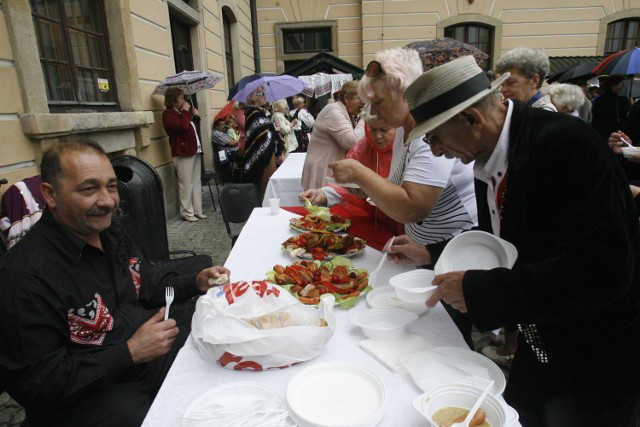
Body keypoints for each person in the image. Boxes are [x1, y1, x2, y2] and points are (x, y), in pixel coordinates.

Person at [403, 55, 640, 426]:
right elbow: (506, 240)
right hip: (542, 343)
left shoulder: (565, 145)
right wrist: (432, 252)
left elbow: (602, 272)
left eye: (435, 136)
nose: (435, 150)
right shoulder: (491, 155)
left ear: (471, 119)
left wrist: (481, 292)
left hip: (594, 359)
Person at [0, 137, 231, 427]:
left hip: (141, 360)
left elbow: (144, 282)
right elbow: (37, 383)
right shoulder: (24, 279)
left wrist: (193, 283)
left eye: (111, 186)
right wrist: (129, 353)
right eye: (89, 188)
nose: (108, 201)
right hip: (87, 399)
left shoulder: (110, 233)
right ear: (50, 194)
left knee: (211, 361)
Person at [326, 47, 478, 348]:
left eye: (378, 102)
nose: (373, 111)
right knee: (425, 331)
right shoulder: (403, 131)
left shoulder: (428, 133)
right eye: (369, 103)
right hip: (431, 251)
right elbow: (398, 188)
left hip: (456, 249)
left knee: (447, 335)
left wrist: (360, 174)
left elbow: (413, 207)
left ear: (405, 91)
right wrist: (368, 189)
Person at [299, 114, 402, 235]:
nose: (378, 136)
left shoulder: (407, 147)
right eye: (373, 130)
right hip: (373, 222)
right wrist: (322, 194)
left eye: (384, 130)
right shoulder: (363, 147)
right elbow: (346, 183)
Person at [301, 80, 365, 190]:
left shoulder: (342, 111)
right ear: (346, 98)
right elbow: (351, 142)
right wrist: (366, 116)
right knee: (321, 206)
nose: (364, 103)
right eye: (360, 98)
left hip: (327, 169)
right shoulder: (333, 111)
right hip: (322, 170)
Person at [161, 87, 206, 222]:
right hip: (182, 152)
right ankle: (187, 212)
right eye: (181, 98)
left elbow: (192, 129)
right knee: (186, 183)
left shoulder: (183, 113)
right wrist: (186, 112)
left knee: (196, 181)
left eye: (183, 98)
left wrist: (196, 117)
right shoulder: (168, 114)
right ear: (173, 101)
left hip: (194, 149)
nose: (184, 101)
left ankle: (198, 210)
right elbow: (183, 127)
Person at [241, 85, 281, 202]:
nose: (265, 96)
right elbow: (261, 132)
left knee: (268, 184)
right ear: (254, 96)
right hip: (263, 157)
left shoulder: (260, 112)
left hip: (268, 154)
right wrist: (272, 127)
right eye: (262, 94)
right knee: (265, 185)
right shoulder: (253, 112)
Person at [495, 46, 557, 112]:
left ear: (534, 81)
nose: (503, 90)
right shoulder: (524, 111)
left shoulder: (545, 115)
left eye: (511, 82)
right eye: (502, 84)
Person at [592, 74, 631, 140]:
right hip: (617, 135)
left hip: (600, 135)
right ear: (613, 85)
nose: (623, 86)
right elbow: (627, 116)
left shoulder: (598, 100)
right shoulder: (622, 101)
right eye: (621, 83)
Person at [211, 118, 239, 182]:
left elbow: (232, 141)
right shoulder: (216, 133)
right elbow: (231, 143)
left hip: (232, 150)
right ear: (216, 126)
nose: (224, 126)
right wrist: (238, 141)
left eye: (224, 124)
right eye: (222, 125)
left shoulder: (222, 132)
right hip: (227, 153)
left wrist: (235, 142)